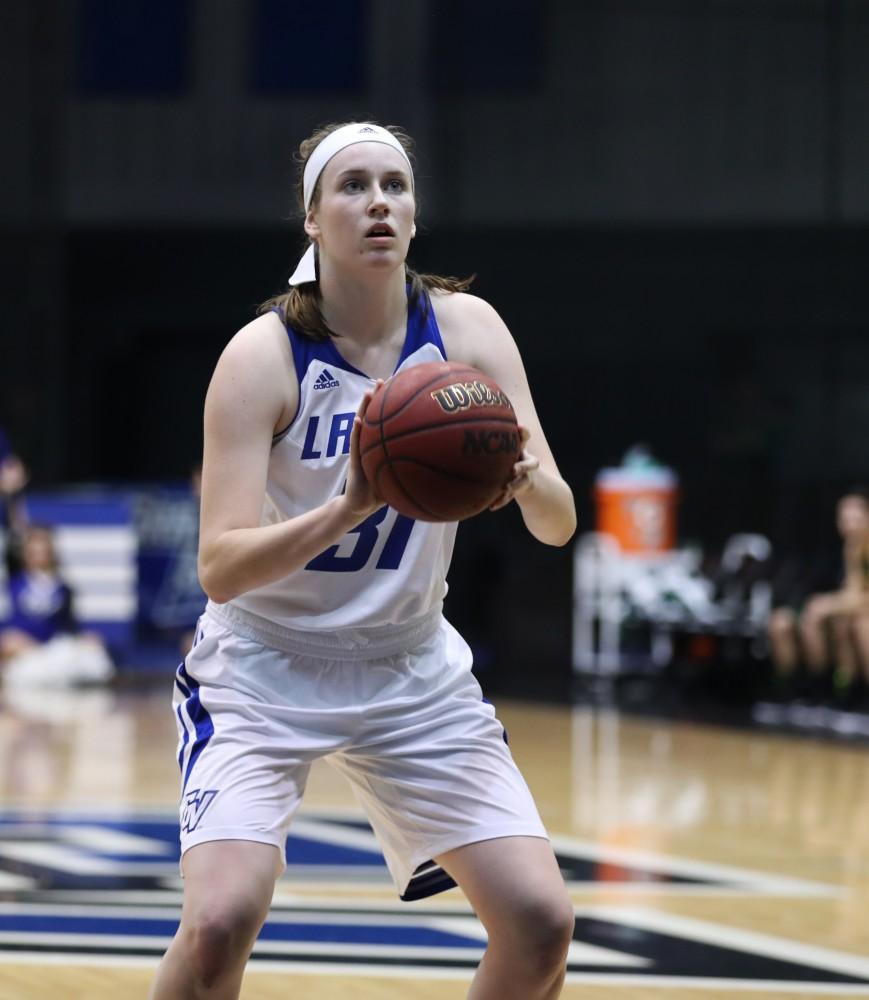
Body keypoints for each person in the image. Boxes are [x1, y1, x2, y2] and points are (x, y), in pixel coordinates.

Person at [148, 121, 577, 1000]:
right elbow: (220, 569)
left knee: (539, 923)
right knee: (219, 923)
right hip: (263, 665)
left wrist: (528, 483)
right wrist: (347, 505)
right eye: (351, 187)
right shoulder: (261, 357)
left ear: (414, 216)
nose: (378, 201)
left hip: (409, 666)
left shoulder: (466, 333)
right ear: (311, 220)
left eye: (395, 185)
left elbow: (559, 524)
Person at [766, 488, 869, 705]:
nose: (849, 525)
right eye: (844, 519)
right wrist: (831, 604)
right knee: (820, 621)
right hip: (851, 608)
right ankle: (816, 690)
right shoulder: (852, 546)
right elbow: (854, 589)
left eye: (855, 519)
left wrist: (830, 605)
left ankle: (851, 695)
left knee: (860, 626)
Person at [0, 524, 114, 686]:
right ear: (25, 555)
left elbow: (69, 627)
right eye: (34, 553)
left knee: (94, 659)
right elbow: (8, 634)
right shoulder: (12, 586)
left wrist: (84, 639)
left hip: (54, 651)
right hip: (24, 654)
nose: (39, 557)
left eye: (44, 552)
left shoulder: (63, 588)